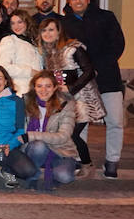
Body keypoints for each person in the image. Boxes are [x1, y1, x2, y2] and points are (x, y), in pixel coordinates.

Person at [61, 0, 126, 178]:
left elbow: (118, 44)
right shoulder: (66, 23)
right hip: (82, 82)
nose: (78, 1)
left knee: (115, 121)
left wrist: (98, 68)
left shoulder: (106, 17)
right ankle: (81, 159)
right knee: (81, 122)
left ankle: (112, 160)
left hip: (108, 78)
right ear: (69, 2)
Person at [37, 18, 102, 171]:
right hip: (63, 101)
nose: (47, 33)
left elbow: (89, 71)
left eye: (51, 29)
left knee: (71, 133)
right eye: (44, 30)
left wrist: (72, 88)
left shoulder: (73, 48)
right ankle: (74, 162)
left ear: (59, 31)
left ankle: (86, 163)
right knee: (64, 133)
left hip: (82, 99)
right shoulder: (47, 53)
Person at [18, 70, 78, 190]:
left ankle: (54, 175)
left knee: (64, 176)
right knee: (38, 146)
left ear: (55, 87)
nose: (43, 90)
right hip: (33, 149)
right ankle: (33, 177)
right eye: (39, 86)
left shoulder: (66, 105)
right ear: (34, 87)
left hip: (60, 150)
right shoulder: (25, 102)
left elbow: (63, 136)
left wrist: (32, 135)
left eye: (48, 86)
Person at [0, 10, 43, 97]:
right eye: (13, 23)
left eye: (19, 22)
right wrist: (30, 72)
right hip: (19, 91)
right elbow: (3, 67)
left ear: (27, 22)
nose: (16, 26)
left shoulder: (34, 41)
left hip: (36, 91)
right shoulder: (9, 40)